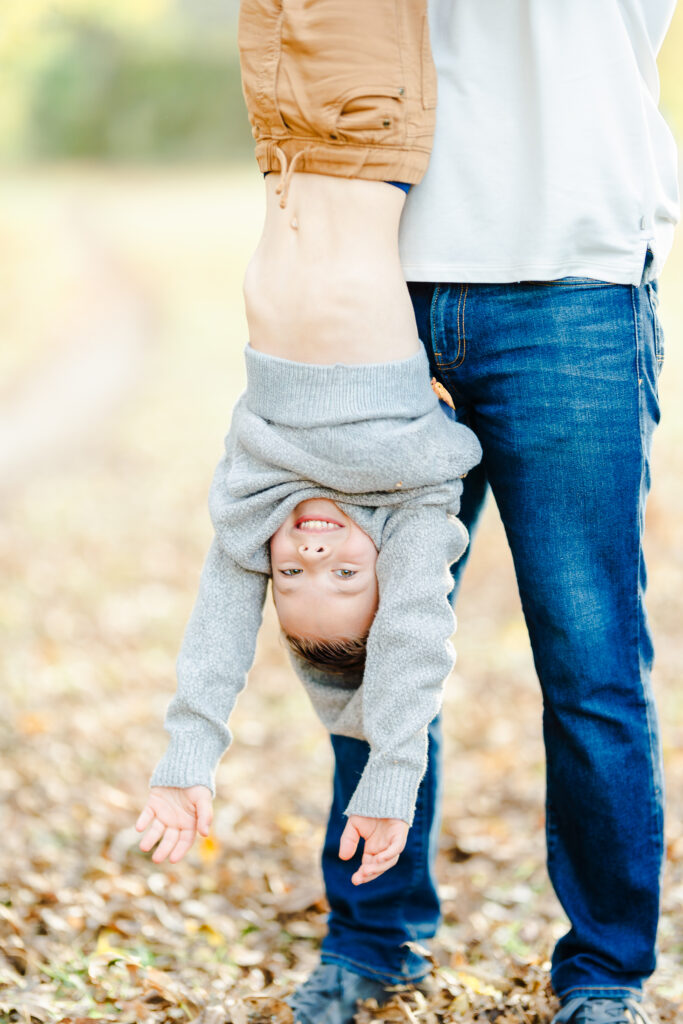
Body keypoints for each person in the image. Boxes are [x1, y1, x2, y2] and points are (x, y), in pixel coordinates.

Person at [298, 3, 678, 1024]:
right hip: (380, 282)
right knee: (370, 642)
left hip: (572, 287)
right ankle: (372, 937)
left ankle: (604, 971)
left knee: (589, 657)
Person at [136, 1, 482, 1018]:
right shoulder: (411, 498)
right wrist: (384, 780)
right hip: (363, 126)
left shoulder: (261, 487)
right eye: (344, 574)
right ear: (383, 560)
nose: (311, 550)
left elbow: (214, 629)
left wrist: (185, 761)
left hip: (284, 140)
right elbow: (414, 644)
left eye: (291, 575)